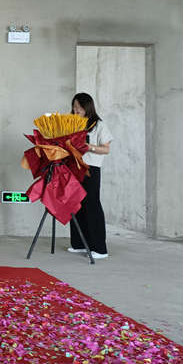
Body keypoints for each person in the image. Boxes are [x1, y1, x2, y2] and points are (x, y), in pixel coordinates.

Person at [68, 92, 113, 259]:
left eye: (79, 108)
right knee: (76, 205)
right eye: (74, 108)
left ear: (87, 108)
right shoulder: (71, 124)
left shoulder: (98, 125)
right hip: (74, 167)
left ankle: (99, 248)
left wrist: (89, 147)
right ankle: (79, 243)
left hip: (91, 169)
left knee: (91, 205)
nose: (76, 111)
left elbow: (106, 149)